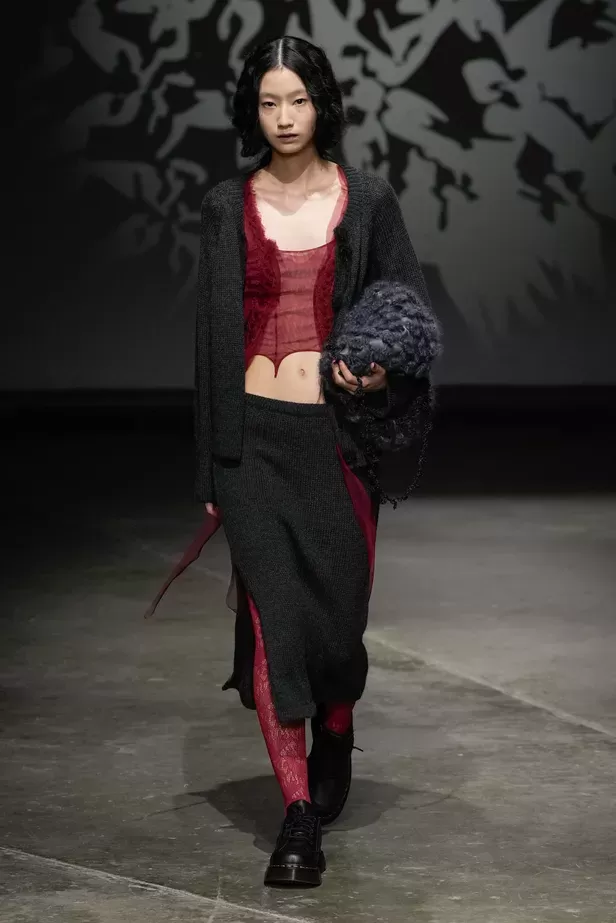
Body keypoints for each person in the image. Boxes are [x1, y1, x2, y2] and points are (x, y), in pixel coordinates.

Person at [194, 34, 434, 888]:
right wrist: (212, 472)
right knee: (276, 625)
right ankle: (296, 814)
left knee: (336, 627)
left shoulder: (367, 199)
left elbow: (405, 306)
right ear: (252, 111)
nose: (284, 117)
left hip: (336, 440)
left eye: (297, 100)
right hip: (252, 444)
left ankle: (337, 719)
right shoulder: (226, 206)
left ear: (321, 103)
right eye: (269, 102)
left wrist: (380, 369)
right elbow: (210, 344)